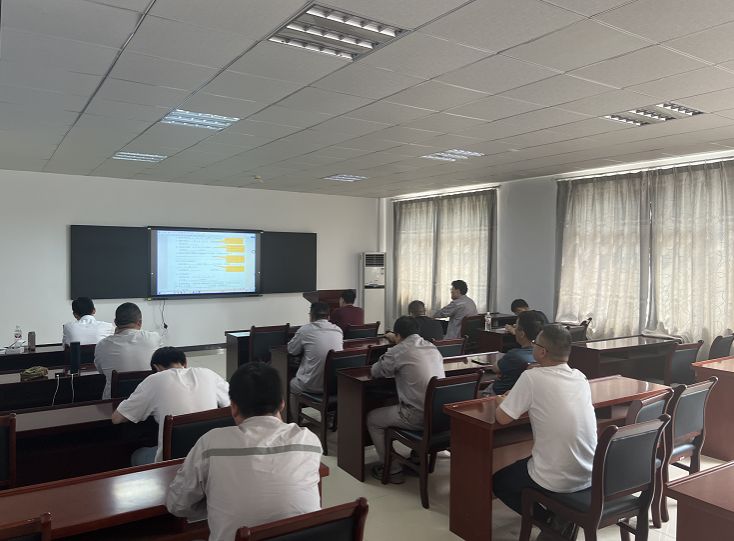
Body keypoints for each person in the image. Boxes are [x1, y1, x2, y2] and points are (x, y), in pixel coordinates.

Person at [166, 362, 322, 541]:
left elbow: (177, 505)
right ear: (282, 403)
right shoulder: (308, 440)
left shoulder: (210, 444)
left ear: (233, 407)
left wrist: (214, 503)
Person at [492, 325, 597, 540]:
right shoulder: (580, 377)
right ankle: (561, 517)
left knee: (500, 482)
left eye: (535, 343)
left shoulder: (532, 378)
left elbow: (502, 418)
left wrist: (501, 401)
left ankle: (550, 521)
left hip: (555, 477)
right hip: (588, 473)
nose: (533, 346)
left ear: (542, 352)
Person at [111, 347, 230, 466]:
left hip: (172, 464)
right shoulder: (208, 373)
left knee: (136, 455)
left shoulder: (153, 380)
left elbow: (117, 419)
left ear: (156, 367)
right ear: (185, 362)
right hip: (212, 456)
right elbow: (232, 403)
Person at [367, 316, 445, 484]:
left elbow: (376, 371)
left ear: (397, 335)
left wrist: (391, 350)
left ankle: (392, 469)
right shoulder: (431, 347)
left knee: (372, 419)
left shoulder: (399, 351)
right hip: (439, 416)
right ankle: (416, 458)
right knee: (394, 403)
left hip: (417, 416)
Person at [288, 302, 343, 422]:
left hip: (312, 385)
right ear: (328, 316)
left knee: (292, 384)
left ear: (311, 316)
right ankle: (328, 418)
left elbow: (291, 350)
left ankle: (296, 422)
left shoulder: (305, 330)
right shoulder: (338, 331)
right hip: (334, 386)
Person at [94, 302, 162, 399]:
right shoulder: (154, 338)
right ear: (139, 322)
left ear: (115, 322)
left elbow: (101, 372)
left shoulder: (102, 345)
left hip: (115, 403)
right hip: (149, 399)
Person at [484, 310, 544, 395]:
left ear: (522, 334)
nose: (514, 329)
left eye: (516, 327)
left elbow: (495, 368)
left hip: (500, 394)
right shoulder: (543, 355)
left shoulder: (514, 355)